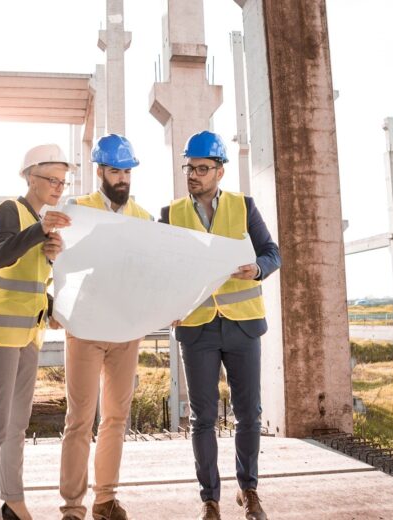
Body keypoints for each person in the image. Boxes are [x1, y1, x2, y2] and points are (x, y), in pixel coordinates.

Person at [160, 131, 281, 520]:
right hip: (197, 329)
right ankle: (210, 499)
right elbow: (161, 269)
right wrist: (168, 303)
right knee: (204, 418)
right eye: (189, 168)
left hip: (243, 326)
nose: (193, 175)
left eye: (201, 168)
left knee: (249, 414)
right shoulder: (171, 214)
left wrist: (258, 268)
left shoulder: (244, 207)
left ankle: (248, 491)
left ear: (219, 171)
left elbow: (272, 253)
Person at [0, 143, 74, 520]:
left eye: (63, 181)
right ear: (31, 176)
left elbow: (31, 283)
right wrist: (39, 230)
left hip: (29, 335)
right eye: (52, 179)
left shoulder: (41, 220)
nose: (59, 187)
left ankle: (13, 500)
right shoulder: (10, 209)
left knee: (16, 425)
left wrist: (50, 261)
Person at [50, 134, 153, 520]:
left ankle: (105, 500)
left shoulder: (143, 218)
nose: (123, 179)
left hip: (126, 331)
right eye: (115, 171)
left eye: (127, 171)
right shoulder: (78, 209)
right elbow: (61, 262)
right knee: (79, 420)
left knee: (115, 418)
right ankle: (72, 507)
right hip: (87, 329)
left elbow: (151, 272)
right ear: (100, 172)